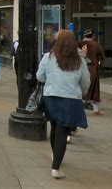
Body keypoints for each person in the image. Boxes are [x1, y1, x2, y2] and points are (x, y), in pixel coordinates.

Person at [37, 30, 90, 180]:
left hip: (51, 97)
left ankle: (55, 154)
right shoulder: (79, 61)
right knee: (63, 130)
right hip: (70, 99)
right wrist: (82, 92)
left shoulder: (48, 57)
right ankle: (56, 167)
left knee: (54, 126)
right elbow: (85, 82)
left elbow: (39, 76)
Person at [80, 30, 105, 115]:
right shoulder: (96, 45)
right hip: (93, 69)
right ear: (93, 36)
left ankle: (79, 108)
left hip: (81, 69)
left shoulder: (80, 44)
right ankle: (95, 109)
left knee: (83, 89)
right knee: (94, 89)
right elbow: (102, 56)